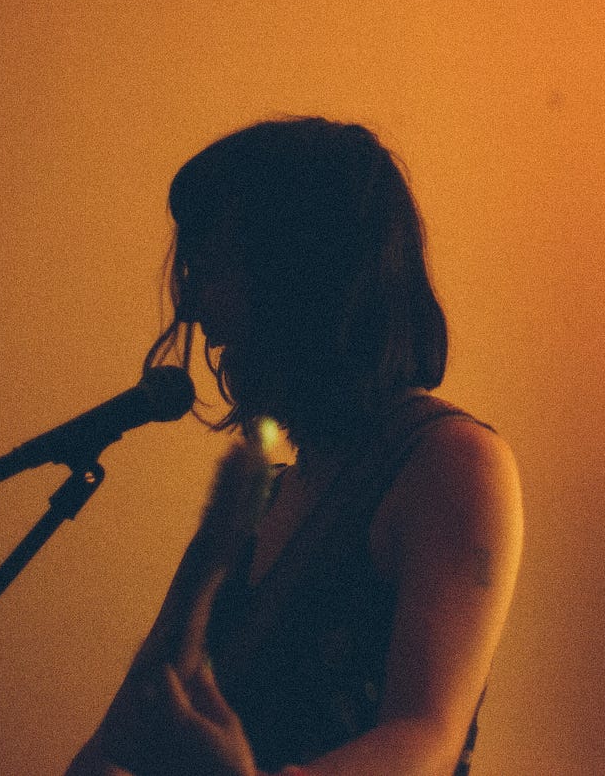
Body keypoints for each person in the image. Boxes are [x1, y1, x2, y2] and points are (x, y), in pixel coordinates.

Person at [66, 118, 523, 776]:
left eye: (215, 269)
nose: (192, 306)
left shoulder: (450, 462)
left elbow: (424, 737)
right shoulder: (259, 498)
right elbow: (119, 742)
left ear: (301, 279)